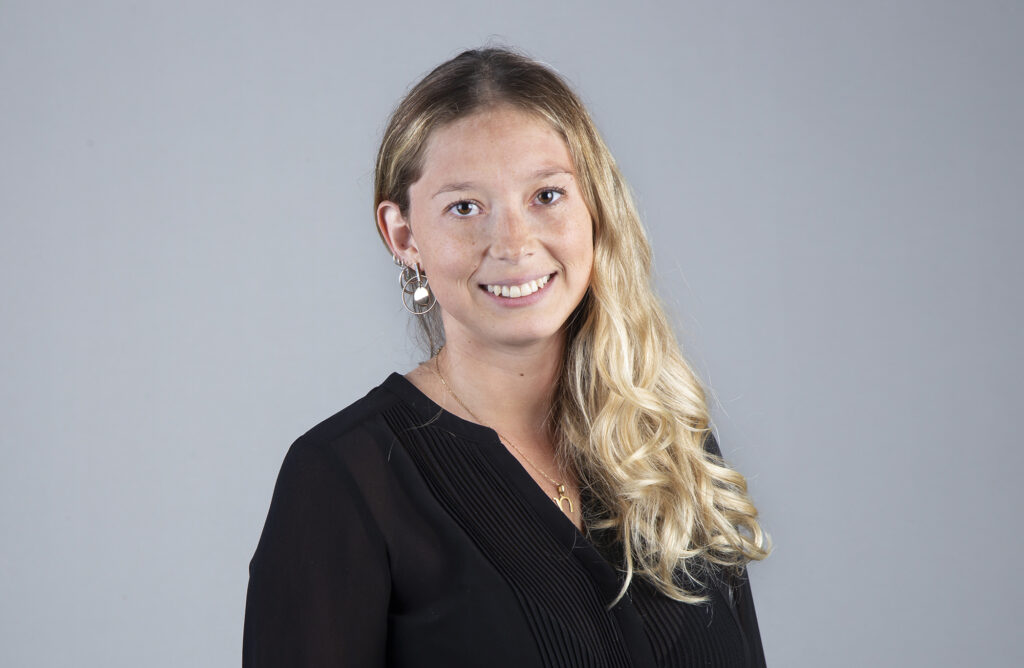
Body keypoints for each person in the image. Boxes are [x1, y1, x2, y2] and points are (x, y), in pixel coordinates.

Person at [242, 46, 771, 667]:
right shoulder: (343, 480)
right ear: (403, 235)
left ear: (593, 208)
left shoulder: (664, 442)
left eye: (546, 195)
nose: (515, 244)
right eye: (465, 207)